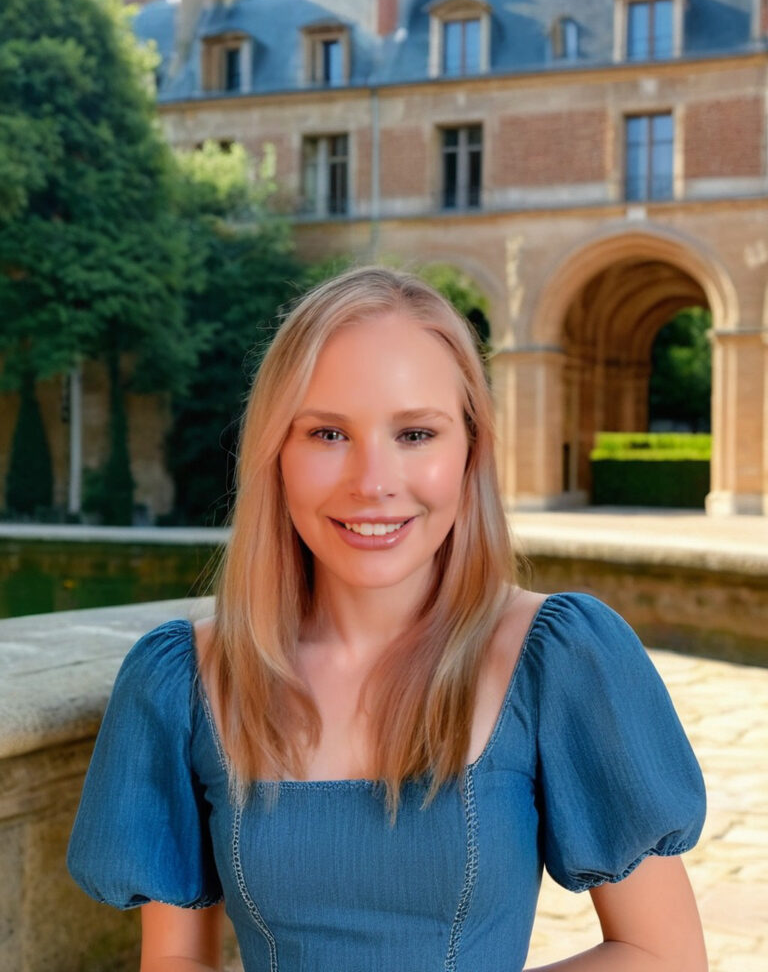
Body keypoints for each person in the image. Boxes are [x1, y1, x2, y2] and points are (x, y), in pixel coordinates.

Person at [68, 267, 707, 972]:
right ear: (275, 453)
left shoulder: (556, 657)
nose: (372, 483)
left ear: (470, 450)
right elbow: (175, 964)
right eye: (327, 433)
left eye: (415, 433)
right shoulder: (185, 680)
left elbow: (664, 955)